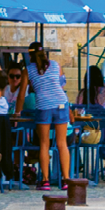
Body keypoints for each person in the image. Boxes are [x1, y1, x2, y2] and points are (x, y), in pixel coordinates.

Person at [27, 44, 71, 187]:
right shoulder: (55, 65)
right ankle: (66, 179)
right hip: (61, 103)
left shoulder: (28, 70)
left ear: (30, 55)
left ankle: (45, 180)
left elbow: (21, 95)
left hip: (43, 105)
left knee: (44, 144)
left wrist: (17, 112)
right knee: (62, 143)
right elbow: (61, 84)